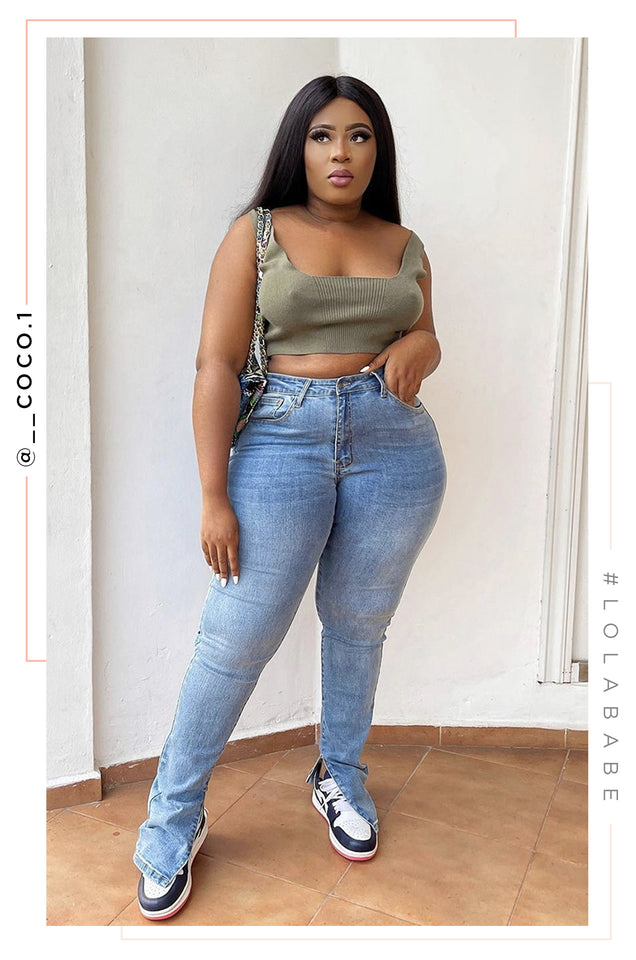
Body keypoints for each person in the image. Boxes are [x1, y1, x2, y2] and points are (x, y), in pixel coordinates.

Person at [133, 74, 447, 921]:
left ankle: (339, 774)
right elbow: (215, 365)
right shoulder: (257, 232)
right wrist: (213, 493)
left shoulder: (406, 242)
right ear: (297, 147)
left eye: (359, 135)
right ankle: (172, 818)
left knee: (359, 624)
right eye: (322, 135)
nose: (341, 152)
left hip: (396, 447)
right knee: (236, 638)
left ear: (378, 150)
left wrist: (423, 345)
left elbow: (424, 331)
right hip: (280, 439)